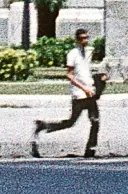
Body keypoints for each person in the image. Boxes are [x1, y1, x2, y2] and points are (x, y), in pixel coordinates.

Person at [31, 28, 102, 157]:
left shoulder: (88, 52)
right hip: (80, 94)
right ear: (77, 40)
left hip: (90, 92)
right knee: (71, 122)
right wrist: (83, 88)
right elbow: (69, 75)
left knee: (95, 121)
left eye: (86, 38)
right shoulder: (72, 54)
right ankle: (43, 126)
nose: (84, 41)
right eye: (82, 38)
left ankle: (90, 149)